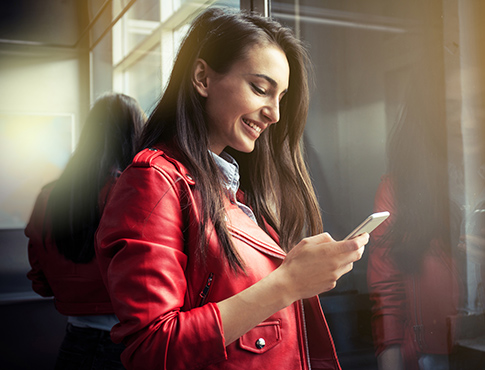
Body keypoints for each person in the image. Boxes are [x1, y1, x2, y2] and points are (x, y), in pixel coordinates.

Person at [95, 8, 368, 370]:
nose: (274, 114)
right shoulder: (154, 181)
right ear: (202, 78)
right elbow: (151, 348)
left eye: (281, 98)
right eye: (260, 89)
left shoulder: (229, 190)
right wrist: (287, 282)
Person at [25, 92, 146, 369]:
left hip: (75, 339)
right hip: (127, 343)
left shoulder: (49, 195)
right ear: (137, 132)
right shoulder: (135, 193)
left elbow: (39, 278)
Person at [366, 65, 462, 370]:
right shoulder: (398, 188)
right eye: (452, 108)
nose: (468, 120)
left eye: (478, 104)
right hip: (429, 355)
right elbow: (386, 290)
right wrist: (390, 360)